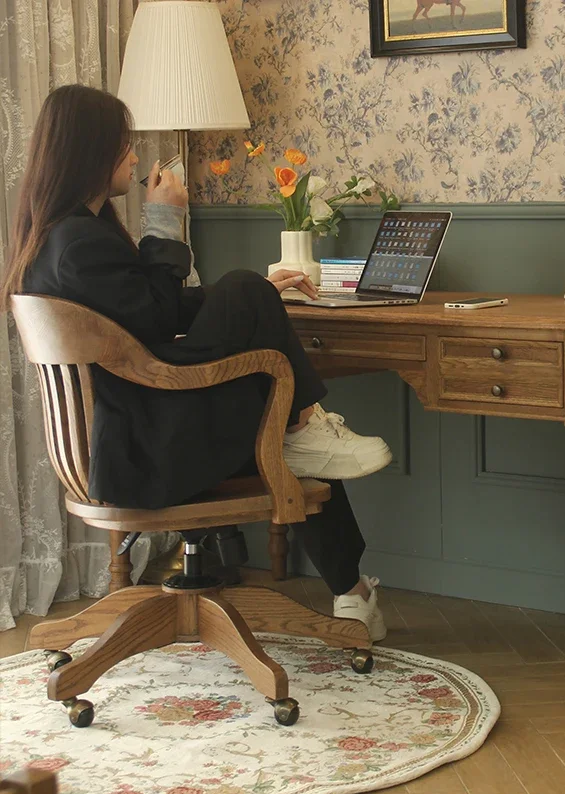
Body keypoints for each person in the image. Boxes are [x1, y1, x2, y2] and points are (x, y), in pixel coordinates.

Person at [0, 85, 388, 642]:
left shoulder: (58, 240)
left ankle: (311, 446)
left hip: (132, 440)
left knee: (252, 298)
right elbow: (156, 324)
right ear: (92, 152)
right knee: (271, 395)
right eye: (125, 147)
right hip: (153, 450)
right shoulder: (79, 243)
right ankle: (318, 463)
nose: (135, 159)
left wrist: (255, 295)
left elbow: (138, 321)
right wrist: (164, 219)